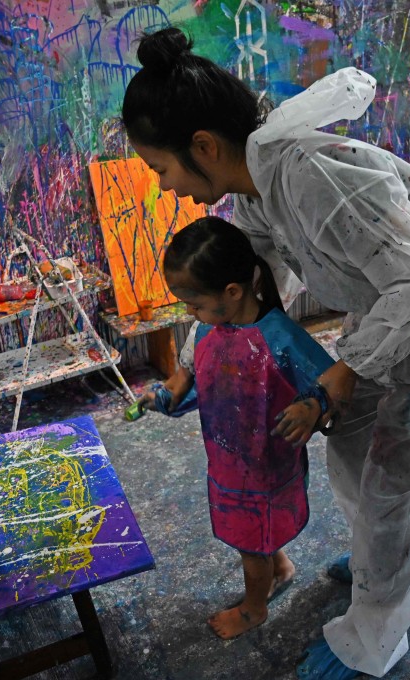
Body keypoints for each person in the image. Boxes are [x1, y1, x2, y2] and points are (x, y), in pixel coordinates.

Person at [122, 28, 410, 679]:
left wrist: (341, 374)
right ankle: (398, 558)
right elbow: (236, 292)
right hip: (391, 328)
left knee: (395, 488)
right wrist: (192, 365)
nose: (164, 188)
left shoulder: (313, 176)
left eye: (161, 169)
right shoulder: (255, 192)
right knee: (357, 454)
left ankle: (372, 638)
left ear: (204, 147)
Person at [138, 216, 336, 640]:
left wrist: (312, 405)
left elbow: (329, 383)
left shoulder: (279, 337)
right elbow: (191, 381)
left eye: (194, 303)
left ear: (232, 291)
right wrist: (164, 398)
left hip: (267, 469)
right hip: (227, 463)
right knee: (251, 535)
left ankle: (254, 609)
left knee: (251, 544)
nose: (190, 313)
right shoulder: (206, 330)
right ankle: (279, 567)